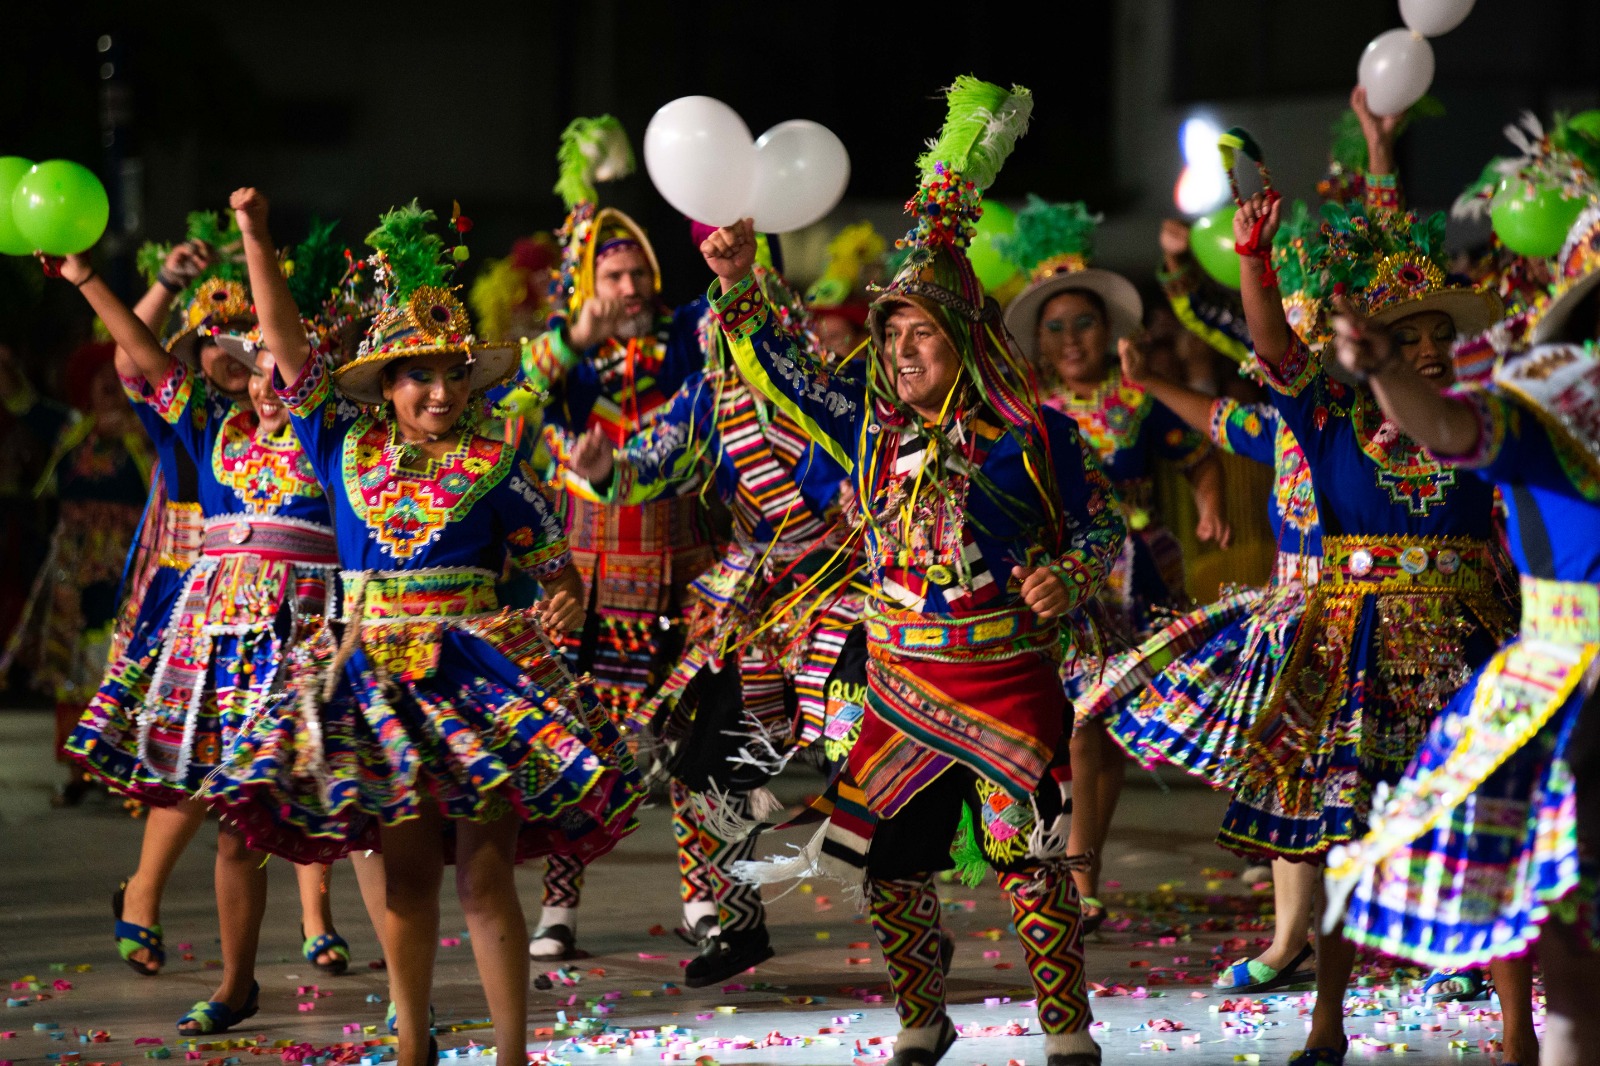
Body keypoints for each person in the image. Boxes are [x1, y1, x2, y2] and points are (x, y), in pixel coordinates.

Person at [712, 78, 1126, 1066]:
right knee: (889, 866)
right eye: (889, 337)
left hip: (1004, 680)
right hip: (898, 682)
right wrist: (736, 286)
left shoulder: (1031, 439)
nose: (898, 353)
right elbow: (790, 376)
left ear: (968, 342)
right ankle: (921, 1015)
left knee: (1027, 861)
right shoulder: (866, 439)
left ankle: (1065, 1029)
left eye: (920, 335)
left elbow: (1107, 522)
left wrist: (1068, 573)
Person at [206, 190, 642, 1066]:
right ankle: (413, 1047)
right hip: (373, 678)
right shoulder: (341, 445)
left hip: (479, 679)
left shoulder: (498, 465)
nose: (440, 391)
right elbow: (288, 351)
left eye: (451, 373)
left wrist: (564, 600)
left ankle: (513, 1053)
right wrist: (256, 238)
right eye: (420, 376)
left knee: (484, 879)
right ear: (388, 386)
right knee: (404, 881)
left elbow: (559, 573)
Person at [1227, 185, 1537, 1063]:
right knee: (1344, 839)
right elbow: (1275, 351)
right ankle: (1328, 1021)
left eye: (1444, 336)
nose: (1433, 351)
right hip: (1352, 647)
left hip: (1472, 640)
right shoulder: (1328, 419)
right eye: (1412, 337)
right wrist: (1253, 260)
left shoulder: (1483, 421)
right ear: (1371, 351)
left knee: (1487, 830)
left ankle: (1517, 1032)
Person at [58, 218, 355, 1030]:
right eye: (253, 364)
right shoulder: (211, 429)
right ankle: (236, 984)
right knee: (235, 826)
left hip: (310, 641)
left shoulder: (332, 436)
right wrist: (88, 278)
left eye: (279, 363)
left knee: (360, 820)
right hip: (222, 645)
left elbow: (294, 359)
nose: (266, 379)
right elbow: (144, 361)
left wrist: (258, 238)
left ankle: (402, 991)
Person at [1327, 201, 1600, 1066]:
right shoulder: (1550, 402)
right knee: (1578, 976)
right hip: (1581, 692)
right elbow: (1449, 428)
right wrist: (1385, 372)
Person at [566, 261, 861, 986]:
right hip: (756, 598)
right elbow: (656, 461)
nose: (736, 345)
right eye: (724, 332)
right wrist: (610, 470)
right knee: (709, 767)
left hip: (846, 587)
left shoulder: (834, 385)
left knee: (873, 756)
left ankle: (905, 912)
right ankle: (740, 923)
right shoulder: (709, 398)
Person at [493, 117, 719, 960]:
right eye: (612, 275)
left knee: (695, 745)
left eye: (637, 273)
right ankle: (559, 909)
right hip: (588, 584)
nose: (629, 287)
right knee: (577, 747)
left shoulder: (688, 345)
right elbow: (506, 407)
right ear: (588, 286)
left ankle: (703, 900)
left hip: (687, 578)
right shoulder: (568, 364)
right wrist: (572, 341)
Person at [996, 194, 1228, 928]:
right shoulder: (1027, 412)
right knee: (1068, 730)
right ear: (1038, 340)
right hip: (1056, 586)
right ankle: (1071, 871)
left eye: (1083, 323)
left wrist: (1208, 504)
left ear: (1108, 330)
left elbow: (1200, 456)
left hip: (1136, 582)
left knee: (1097, 730)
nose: (1070, 339)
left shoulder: (1139, 399)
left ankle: (1081, 879)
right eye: (1055, 327)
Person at [0, 335, 150, 800]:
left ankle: (126, 767)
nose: (107, 383)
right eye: (99, 378)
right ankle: (78, 771)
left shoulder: (147, 432)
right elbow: (22, 402)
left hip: (128, 563)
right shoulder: (72, 429)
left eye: (116, 376)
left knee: (122, 657)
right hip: (73, 561)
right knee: (70, 659)